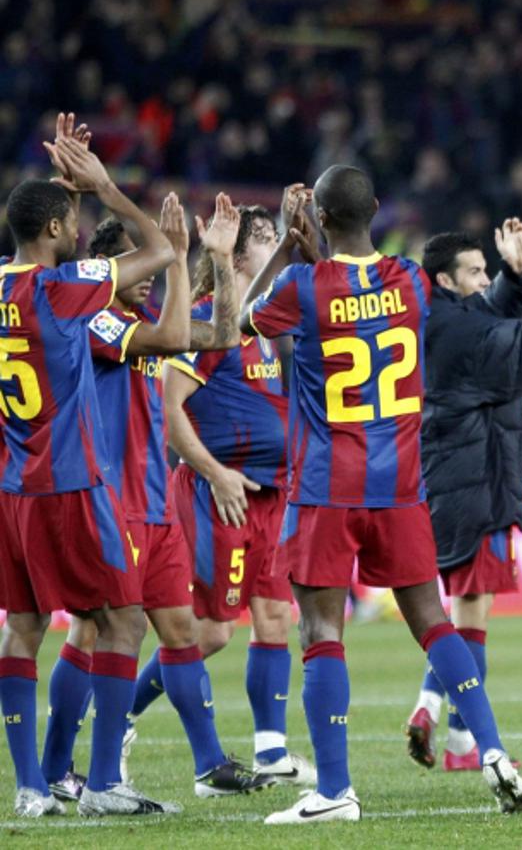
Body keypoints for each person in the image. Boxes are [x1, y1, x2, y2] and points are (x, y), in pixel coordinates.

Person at [242, 165, 522, 823]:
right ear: (375, 206)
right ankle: (491, 749)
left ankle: (336, 790)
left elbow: (243, 319)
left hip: (326, 486)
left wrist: (291, 243)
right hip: (400, 484)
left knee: (320, 630)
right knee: (433, 620)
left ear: (315, 216)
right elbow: (365, 288)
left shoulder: (302, 285)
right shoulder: (408, 279)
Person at [41, 195, 270, 802]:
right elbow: (173, 335)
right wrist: (175, 258)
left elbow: (222, 333)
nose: (143, 281)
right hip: (110, 501)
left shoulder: (141, 325)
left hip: (155, 502)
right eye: (135, 269)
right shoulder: (94, 322)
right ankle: (61, 772)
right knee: (93, 633)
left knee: (178, 631)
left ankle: (208, 763)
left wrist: (218, 261)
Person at [0, 115, 175, 817]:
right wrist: (107, 185)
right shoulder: (61, 288)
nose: (78, 230)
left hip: (10, 487)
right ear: (52, 228)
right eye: (71, 220)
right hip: (69, 481)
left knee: (23, 626)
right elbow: (161, 248)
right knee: (123, 620)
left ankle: (29, 787)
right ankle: (103, 781)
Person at [164, 188, 316, 787]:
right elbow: (170, 409)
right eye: (264, 239)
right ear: (234, 249)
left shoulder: (260, 326)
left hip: (271, 495)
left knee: (276, 615)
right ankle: (121, 712)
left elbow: (277, 278)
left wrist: (293, 231)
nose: (272, 248)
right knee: (211, 633)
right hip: (219, 493)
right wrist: (215, 471)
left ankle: (271, 752)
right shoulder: (205, 319)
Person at [403, 220, 522, 770]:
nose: (484, 280)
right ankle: (456, 735)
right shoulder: (465, 334)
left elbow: (488, 310)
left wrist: (512, 280)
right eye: (475, 272)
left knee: (463, 607)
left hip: (449, 481)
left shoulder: (441, 316)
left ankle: (443, 721)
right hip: (481, 484)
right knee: (472, 616)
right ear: (447, 281)